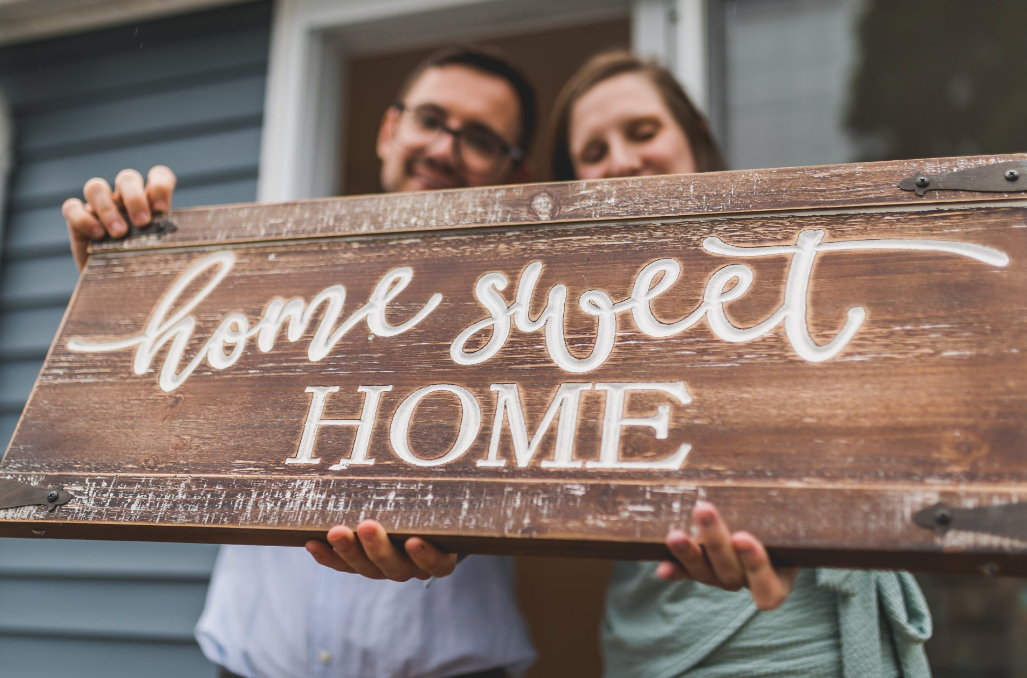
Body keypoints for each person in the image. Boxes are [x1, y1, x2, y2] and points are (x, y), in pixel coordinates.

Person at [62, 45, 539, 678]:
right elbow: (158, 402)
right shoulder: (265, 280)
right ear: (390, 128)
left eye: (479, 138)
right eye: (431, 119)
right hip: (250, 661)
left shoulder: (540, 305)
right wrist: (123, 283)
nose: (445, 149)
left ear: (514, 169)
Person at [549, 50, 933, 678]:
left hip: (808, 634)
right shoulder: (559, 326)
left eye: (642, 132)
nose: (621, 159)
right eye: (593, 152)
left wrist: (809, 523)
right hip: (653, 641)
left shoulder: (799, 266)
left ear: (694, 139)